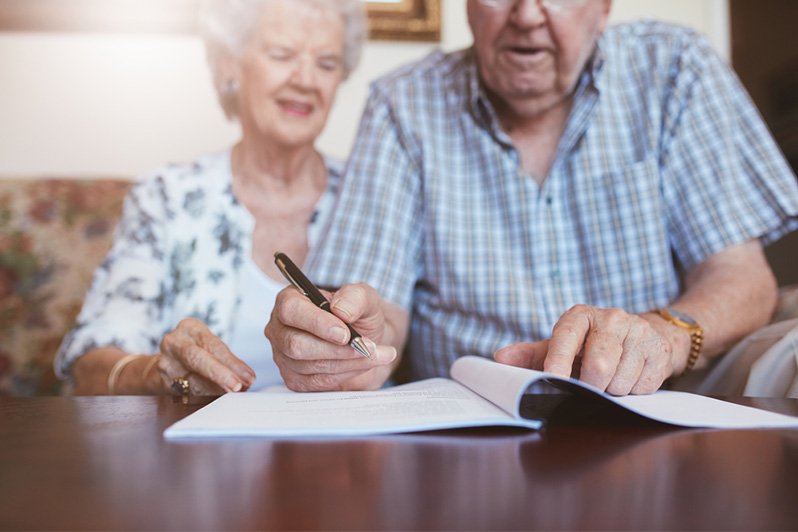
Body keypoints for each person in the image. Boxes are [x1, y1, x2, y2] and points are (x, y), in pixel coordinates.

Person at [266, 0, 798, 395]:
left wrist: (665, 335)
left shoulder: (675, 67)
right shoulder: (401, 104)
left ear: (604, 7)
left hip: (660, 414)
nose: (526, 13)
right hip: (471, 439)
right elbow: (380, 316)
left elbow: (743, 277)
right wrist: (348, 341)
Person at [54, 0, 366, 395]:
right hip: (204, 450)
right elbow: (91, 364)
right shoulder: (168, 196)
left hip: (343, 448)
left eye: (326, 63)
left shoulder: (371, 191)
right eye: (282, 54)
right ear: (228, 65)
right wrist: (156, 372)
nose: (306, 80)